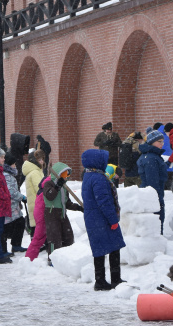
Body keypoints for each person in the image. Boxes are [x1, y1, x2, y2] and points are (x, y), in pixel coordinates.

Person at [81, 149, 126, 290]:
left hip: (94, 218)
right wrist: (113, 220)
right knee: (114, 247)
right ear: (97, 161)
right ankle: (113, 279)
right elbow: (104, 202)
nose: (105, 162)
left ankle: (101, 280)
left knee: (100, 249)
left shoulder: (88, 175)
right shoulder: (99, 178)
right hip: (102, 219)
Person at [43, 161, 83, 262]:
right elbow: (49, 196)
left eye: (68, 174)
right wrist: (57, 186)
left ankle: (65, 258)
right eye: (65, 174)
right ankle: (52, 259)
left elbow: (67, 203)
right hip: (51, 214)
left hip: (62, 214)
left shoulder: (64, 187)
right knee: (54, 237)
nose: (67, 176)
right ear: (59, 173)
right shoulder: (49, 184)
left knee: (68, 236)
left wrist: (79, 208)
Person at [138, 128, 168, 234]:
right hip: (153, 194)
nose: (162, 144)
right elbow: (152, 181)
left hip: (155, 192)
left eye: (163, 141)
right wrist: (156, 196)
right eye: (159, 141)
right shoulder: (151, 158)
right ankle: (156, 241)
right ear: (151, 142)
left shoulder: (152, 156)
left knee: (157, 219)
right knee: (156, 219)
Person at [2, 151, 27, 255]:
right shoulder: (7, 176)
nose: (15, 165)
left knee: (19, 222)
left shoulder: (9, 175)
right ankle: (7, 249)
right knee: (7, 227)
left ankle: (16, 245)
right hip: (9, 207)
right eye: (13, 164)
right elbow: (10, 192)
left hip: (13, 207)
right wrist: (21, 197)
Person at [22, 150, 46, 237]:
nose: (42, 162)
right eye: (39, 160)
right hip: (37, 202)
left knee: (35, 224)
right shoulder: (35, 172)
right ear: (34, 161)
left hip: (34, 202)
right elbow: (39, 188)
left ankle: (35, 241)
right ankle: (38, 243)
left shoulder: (34, 171)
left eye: (42, 159)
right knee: (38, 225)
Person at [94, 122, 121, 187]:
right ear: (105, 129)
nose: (109, 131)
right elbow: (95, 143)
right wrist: (103, 143)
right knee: (105, 171)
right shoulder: (101, 135)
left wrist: (113, 143)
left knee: (114, 170)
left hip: (113, 156)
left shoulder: (115, 135)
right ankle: (105, 183)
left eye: (110, 130)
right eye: (108, 130)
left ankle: (115, 183)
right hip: (104, 157)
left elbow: (120, 143)